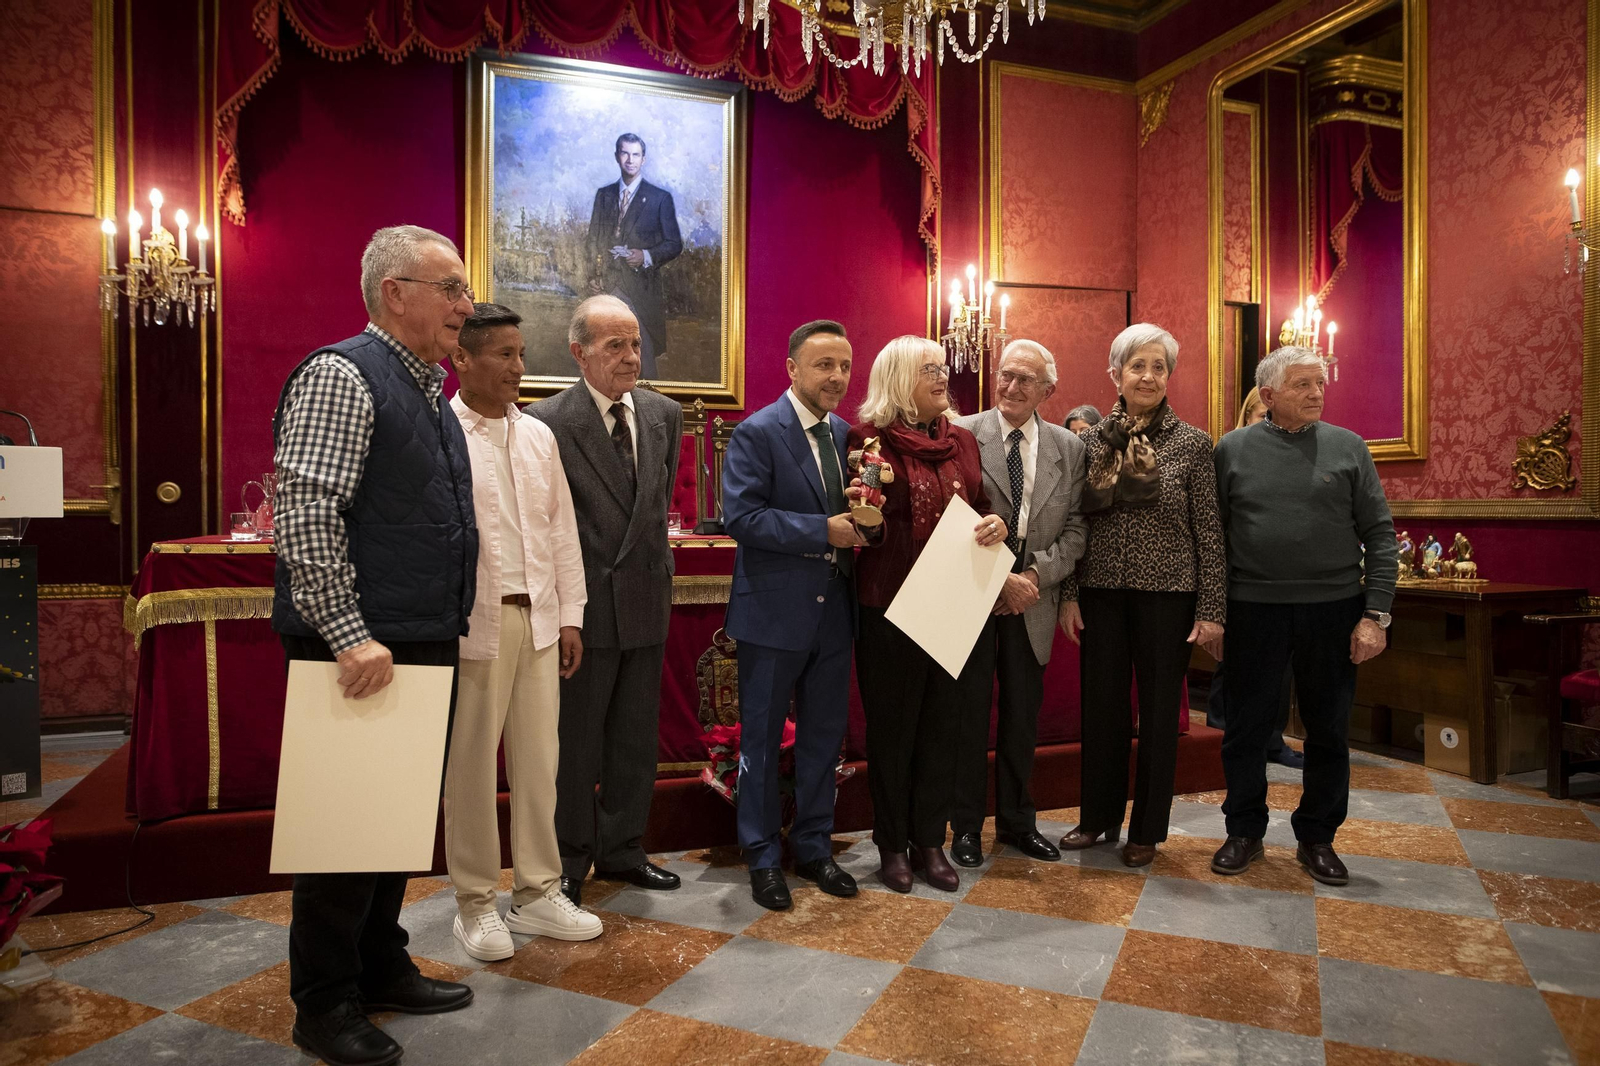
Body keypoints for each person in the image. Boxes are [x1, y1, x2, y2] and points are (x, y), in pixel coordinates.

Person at [272, 224, 478, 1066]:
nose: (466, 305)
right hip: (362, 646)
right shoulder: (342, 374)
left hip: (417, 635)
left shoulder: (425, 387)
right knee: (343, 835)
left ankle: (379, 964)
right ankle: (323, 1003)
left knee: (391, 826)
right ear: (395, 293)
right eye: (451, 288)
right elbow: (305, 513)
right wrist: (349, 636)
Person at [443, 303, 602, 961]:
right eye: (504, 355)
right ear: (462, 358)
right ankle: (475, 902)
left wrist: (570, 616)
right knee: (472, 766)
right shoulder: (442, 432)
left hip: (538, 617)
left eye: (521, 353)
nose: (518, 367)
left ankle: (537, 891)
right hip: (473, 622)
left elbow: (561, 529)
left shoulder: (538, 434)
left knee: (540, 762)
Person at [1211, 346, 1397, 887]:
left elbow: (1380, 534)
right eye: (1302, 385)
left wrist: (1376, 615)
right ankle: (1244, 830)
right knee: (1246, 729)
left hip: (1333, 610)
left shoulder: (1349, 447)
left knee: (1329, 731)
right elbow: (1213, 538)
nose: (1317, 393)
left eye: (1320, 383)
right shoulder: (1232, 449)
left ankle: (1317, 837)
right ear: (1268, 395)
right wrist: (1213, 613)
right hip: (1252, 610)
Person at [527, 295, 684, 905]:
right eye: (615, 345)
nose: (630, 357)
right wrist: (564, 609)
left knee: (635, 740)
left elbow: (654, 508)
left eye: (636, 343)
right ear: (579, 352)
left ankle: (623, 850)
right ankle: (569, 858)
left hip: (645, 596)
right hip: (583, 608)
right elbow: (544, 525)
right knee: (576, 742)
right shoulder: (546, 420)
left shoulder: (664, 414)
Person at [1058, 323, 1226, 869]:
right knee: (1101, 711)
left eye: (1158, 367)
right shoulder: (1090, 442)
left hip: (1168, 597)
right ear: (1116, 374)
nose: (1148, 376)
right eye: (1137, 366)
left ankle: (1147, 829)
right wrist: (1069, 594)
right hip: (1100, 593)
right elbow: (1074, 523)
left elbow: (1210, 532)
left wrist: (1212, 610)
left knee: (1157, 718)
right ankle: (1097, 817)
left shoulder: (1194, 443)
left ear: (1169, 375)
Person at [849, 336, 1010, 893]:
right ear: (899, 380)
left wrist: (996, 524)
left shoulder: (961, 440)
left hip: (953, 602)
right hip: (890, 608)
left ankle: (929, 842)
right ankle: (892, 845)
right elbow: (863, 520)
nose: (943, 377)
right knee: (894, 733)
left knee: (943, 729)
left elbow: (979, 507)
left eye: (943, 368)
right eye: (929, 370)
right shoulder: (869, 440)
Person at [721, 319, 863, 909]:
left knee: (823, 741)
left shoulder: (849, 437)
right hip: (773, 615)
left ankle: (813, 847)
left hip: (836, 614)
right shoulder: (758, 432)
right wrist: (820, 531)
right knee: (760, 740)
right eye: (824, 365)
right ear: (792, 369)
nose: (837, 377)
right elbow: (742, 517)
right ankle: (761, 857)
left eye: (845, 366)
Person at [950, 340, 1087, 867]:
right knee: (968, 717)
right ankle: (965, 826)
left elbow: (1077, 530)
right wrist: (1000, 579)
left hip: (1033, 602)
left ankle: (1016, 823)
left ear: (1048, 390)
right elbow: (949, 517)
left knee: (1021, 719)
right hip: (973, 597)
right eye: (1005, 375)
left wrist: (1032, 576)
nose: (1010, 387)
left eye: (1025, 379)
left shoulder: (1068, 448)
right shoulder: (962, 433)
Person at [1206, 386, 1305, 771]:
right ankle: (1219, 735)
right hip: (1237, 582)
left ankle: (1271, 739)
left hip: (1285, 586)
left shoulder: (1294, 459)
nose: (1270, 421)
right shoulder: (1230, 454)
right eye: (1262, 414)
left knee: (1280, 672)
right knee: (1230, 666)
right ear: (1246, 417)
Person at [585, 133, 683, 379]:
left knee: (642, 362)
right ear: (617, 156)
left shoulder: (660, 198)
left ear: (643, 159)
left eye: (636, 154)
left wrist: (646, 255)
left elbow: (674, 244)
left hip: (641, 292)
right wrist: (592, 277)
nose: (630, 160)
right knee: (603, 357)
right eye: (625, 153)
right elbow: (593, 240)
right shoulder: (604, 195)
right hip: (606, 289)